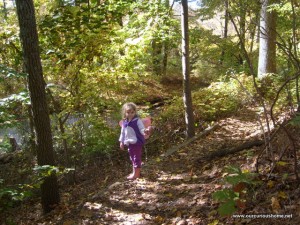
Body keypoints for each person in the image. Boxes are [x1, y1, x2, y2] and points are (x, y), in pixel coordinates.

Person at [119, 102, 149, 180]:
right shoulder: (124, 122)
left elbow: (142, 129)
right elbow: (122, 133)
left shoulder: (137, 121)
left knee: (136, 158)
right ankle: (134, 172)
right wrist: (121, 142)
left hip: (137, 142)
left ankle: (137, 174)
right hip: (129, 143)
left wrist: (145, 131)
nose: (130, 114)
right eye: (128, 112)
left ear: (135, 112)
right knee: (132, 158)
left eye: (132, 112)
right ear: (125, 113)